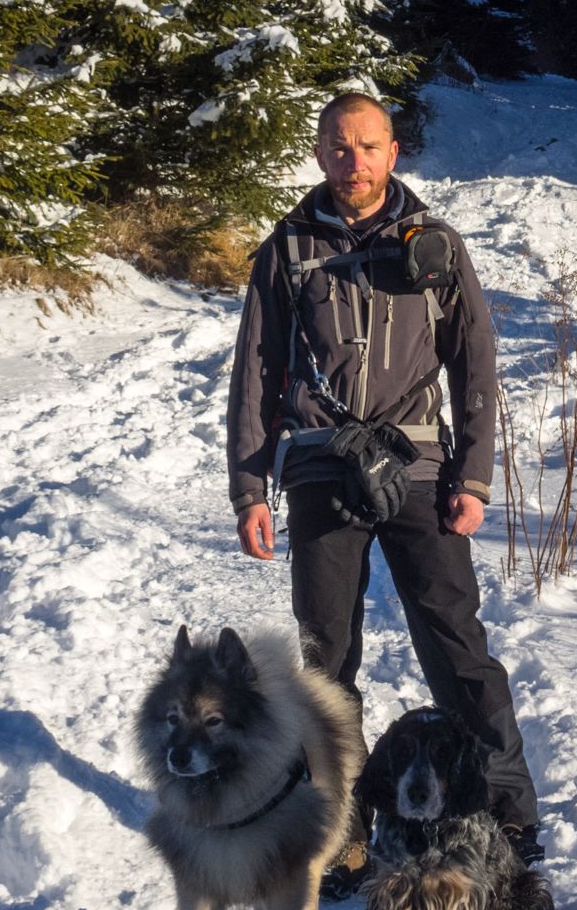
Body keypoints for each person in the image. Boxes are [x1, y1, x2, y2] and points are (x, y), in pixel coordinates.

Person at [225, 91, 544, 868]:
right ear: (319, 152)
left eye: (368, 146)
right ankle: (342, 835)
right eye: (338, 146)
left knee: (456, 645)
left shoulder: (433, 242)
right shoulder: (288, 247)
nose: (353, 161)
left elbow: (475, 362)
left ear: (393, 152)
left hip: (421, 469)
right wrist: (249, 488)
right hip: (319, 466)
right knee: (325, 655)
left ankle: (503, 813)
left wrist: (472, 476)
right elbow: (256, 371)